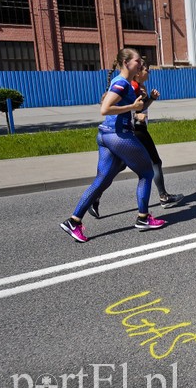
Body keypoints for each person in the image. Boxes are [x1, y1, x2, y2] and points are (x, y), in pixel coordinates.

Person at [59, 48, 166, 243]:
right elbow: (105, 108)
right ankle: (143, 218)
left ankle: (74, 221)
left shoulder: (125, 84)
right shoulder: (122, 83)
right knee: (147, 173)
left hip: (105, 135)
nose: (141, 65)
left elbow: (135, 107)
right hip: (119, 136)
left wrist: (144, 102)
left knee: (103, 179)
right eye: (137, 62)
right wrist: (132, 107)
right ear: (126, 63)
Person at [88, 61, 184, 219]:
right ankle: (162, 198)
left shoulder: (139, 87)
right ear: (137, 72)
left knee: (117, 167)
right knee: (154, 163)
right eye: (146, 69)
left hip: (133, 130)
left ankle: (94, 198)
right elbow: (123, 108)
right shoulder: (130, 86)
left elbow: (140, 107)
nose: (148, 73)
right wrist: (136, 116)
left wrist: (151, 99)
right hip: (136, 131)